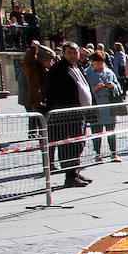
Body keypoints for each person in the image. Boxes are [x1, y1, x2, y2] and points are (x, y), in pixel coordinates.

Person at [45, 43, 93, 188]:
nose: (73, 55)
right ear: (63, 54)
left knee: (79, 143)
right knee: (70, 145)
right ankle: (70, 175)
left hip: (80, 113)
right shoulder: (58, 70)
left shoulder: (78, 67)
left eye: (75, 52)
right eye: (69, 52)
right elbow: (54, 93)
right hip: (67, 115)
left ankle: (75, 171)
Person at [83, 50, 124, 164]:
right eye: (97, 63)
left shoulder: (109, 72)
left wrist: (113, 86)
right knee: (96, 132)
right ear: (92, 62)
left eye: (101, 63)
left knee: (111, 131)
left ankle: (114, 153)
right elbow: (84, 90)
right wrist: (95, 88)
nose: (100, 66)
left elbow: (118, 86)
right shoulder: (86, 73)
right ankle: (98, 154)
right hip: (96, 106)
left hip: (109, 106)